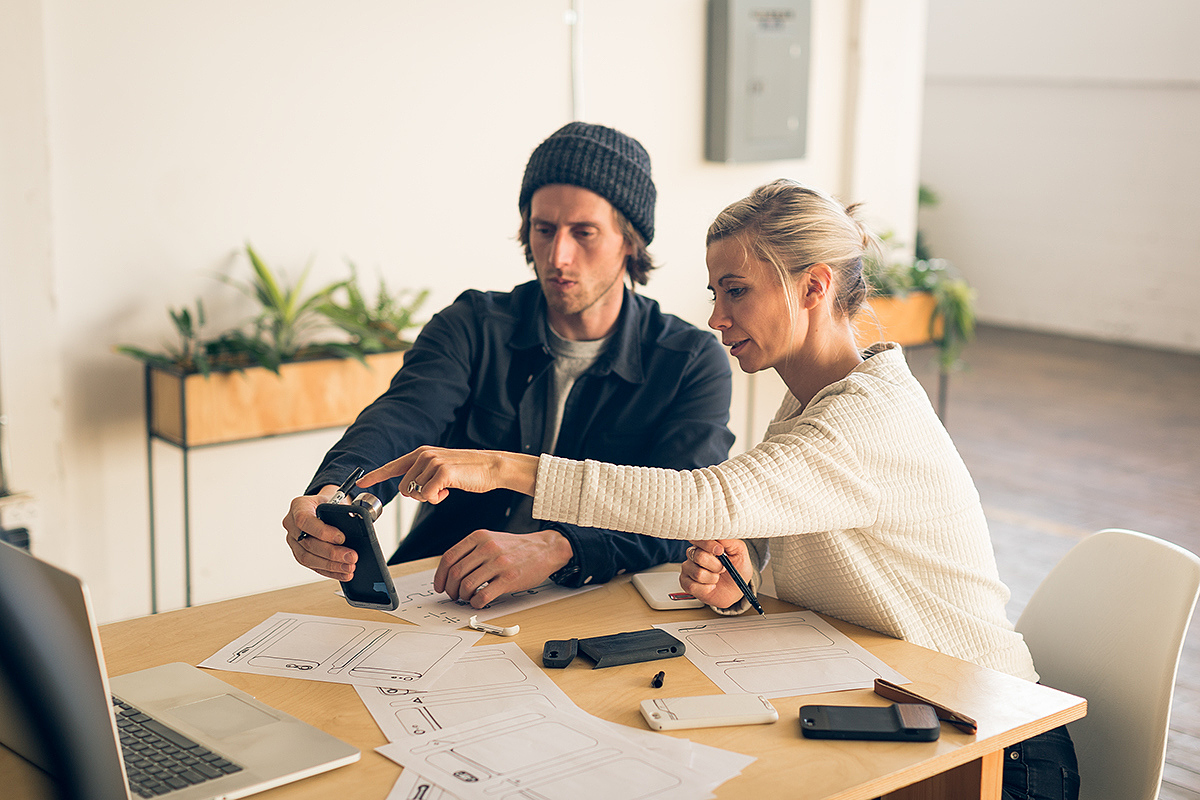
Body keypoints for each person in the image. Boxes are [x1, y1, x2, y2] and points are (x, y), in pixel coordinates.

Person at [360, 178, 1080, 800]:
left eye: (737, 291)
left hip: (996, 749)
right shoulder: (808, 405)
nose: (716, 317)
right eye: (714, 291)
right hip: (898, 708)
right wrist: (743, 586)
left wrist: (507, 466)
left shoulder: (869, 417)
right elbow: (789, 557)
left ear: (815, 286)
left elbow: (706, 500)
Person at [284, 122, 735, 608]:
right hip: (442, 594)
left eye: (584, 233)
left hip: (596, 602)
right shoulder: (473, 325)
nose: (558, 256)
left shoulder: (690, 362)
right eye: (544, 230)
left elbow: (683, 511)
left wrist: (559, 547)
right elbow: (402, 416)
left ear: (630, 240)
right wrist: (334, 493)